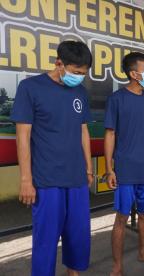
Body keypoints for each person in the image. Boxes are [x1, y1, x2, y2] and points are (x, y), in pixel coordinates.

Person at [11, 40, 93, 276]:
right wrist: (26, 179)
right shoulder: (30, 88)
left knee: (78, 236)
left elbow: (82, 130)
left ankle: (73, 273)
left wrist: (88, 168)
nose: (79, 77)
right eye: (76, 72)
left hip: (76, 178)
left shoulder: (79, 91)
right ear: (59, 63)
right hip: (47, 180)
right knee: (46, 241)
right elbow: (23, 136)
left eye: (83, 74)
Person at [104, 52, 144, 276]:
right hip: (125, 170)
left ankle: (143, 252)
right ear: (133, 73)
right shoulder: (116, 99)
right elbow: (110, 134)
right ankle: (117, 266)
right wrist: (110, 169)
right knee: (121, 218)